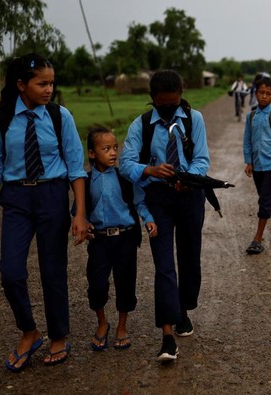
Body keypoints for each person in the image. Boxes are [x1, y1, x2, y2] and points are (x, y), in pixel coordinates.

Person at [0, 53, 87, 371]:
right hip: (15, 199)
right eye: (42, 83)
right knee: (10, 271)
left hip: (52, 195)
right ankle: (29, 331)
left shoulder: (59, 116)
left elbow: (76, 167)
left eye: (51, 83)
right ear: (21, 85)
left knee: (53, 269)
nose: (48, 89)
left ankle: (58, 335)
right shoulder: (0, 118)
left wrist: (79, 213)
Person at [119, 69, 210, 362]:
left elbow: (202, 160)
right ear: (152, 99)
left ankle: (183, 309)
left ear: (181, 96)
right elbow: (126, 163)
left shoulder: (194, 119)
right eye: (164, 105)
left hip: (190, 195)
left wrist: (188, 177)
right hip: (158, 198)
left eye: (175, 103)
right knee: (163, 264)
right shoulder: (141, 125)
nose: (170, 109)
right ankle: (167, 334)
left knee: (189, 256)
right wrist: (150, 170)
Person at [83, 127, 153, 352]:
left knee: (125, 281)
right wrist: (83, 225)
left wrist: (148, 219)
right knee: (96, 284)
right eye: (106, 149)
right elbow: (79, 209)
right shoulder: (85, 180)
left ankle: (122, 326)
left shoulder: (124, 177)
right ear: (92, 153)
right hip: (100, 241)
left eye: (115, 148)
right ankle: (102, 322)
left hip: (125, 238)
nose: (113, 153)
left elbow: (139, 201)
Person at [243, 76, 271, 254]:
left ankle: (257, 239)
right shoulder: (251, 116)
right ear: (256, 93)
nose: (264, 96)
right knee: (268, 199)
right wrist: (249, 161)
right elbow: (247, 140)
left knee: (264, 201)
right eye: (261, 92)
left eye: (268, 94)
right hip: (257, 167)